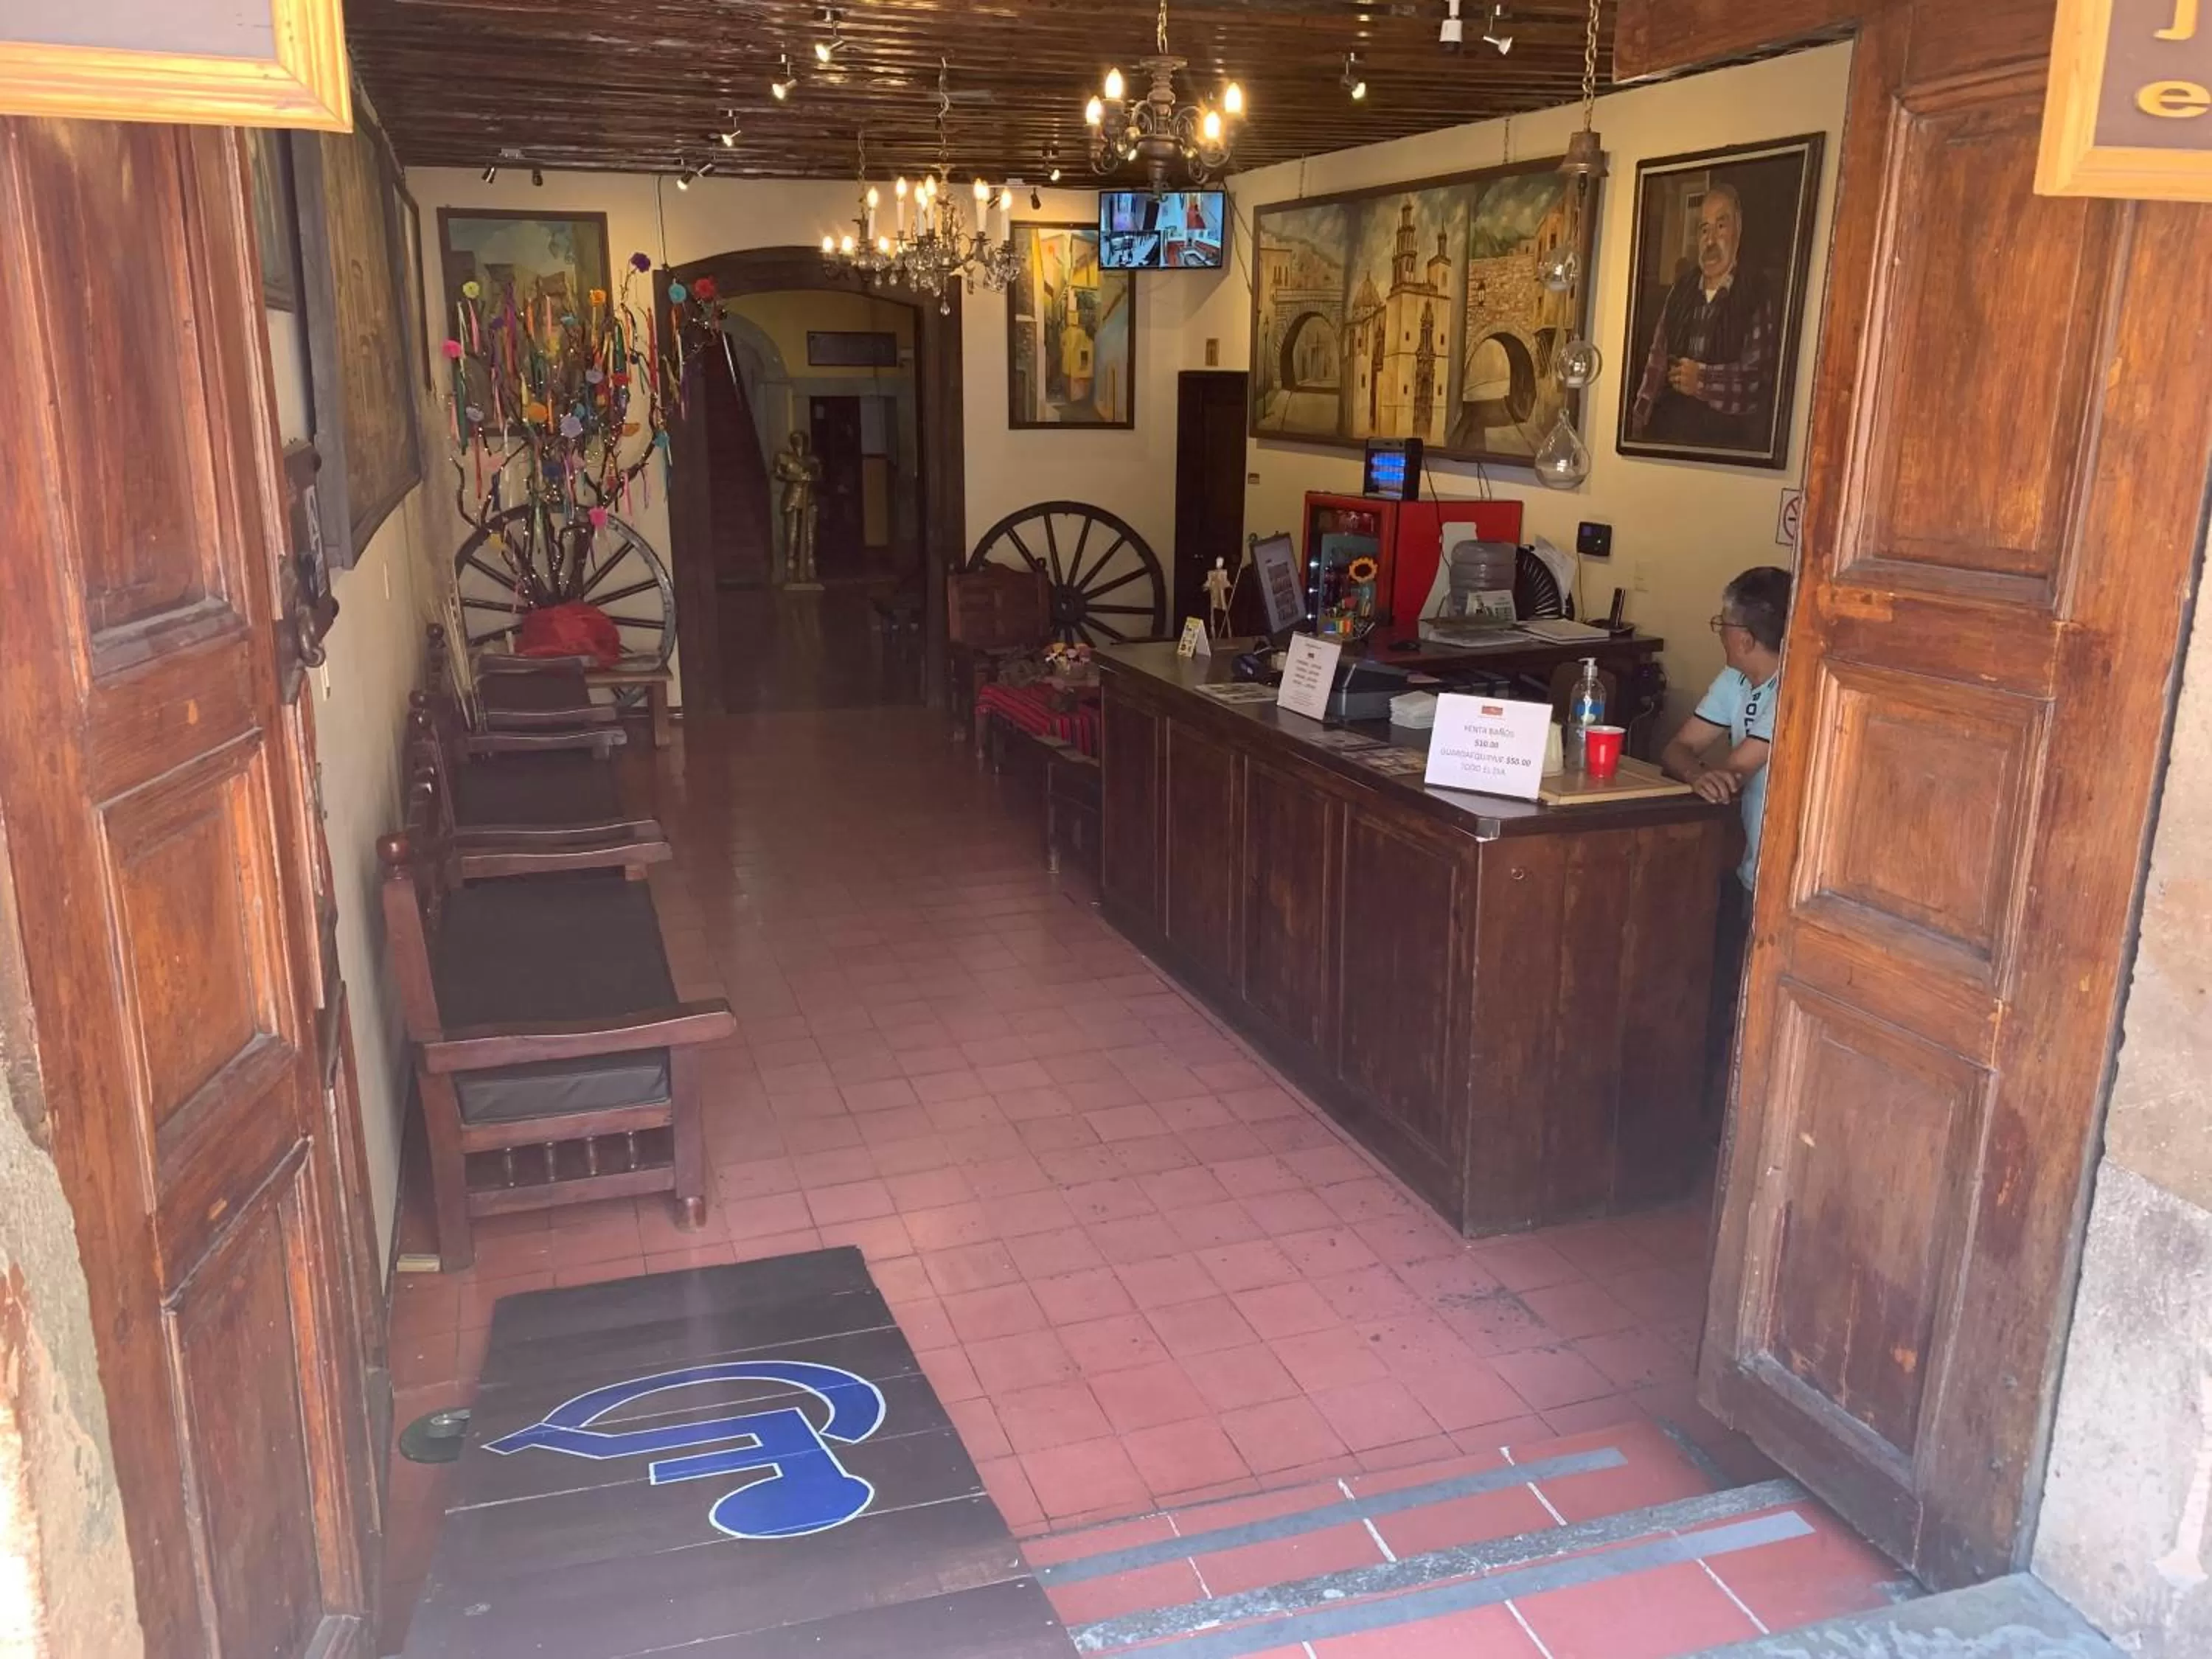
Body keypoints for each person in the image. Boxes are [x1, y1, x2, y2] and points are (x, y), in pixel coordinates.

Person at [1664, 565, 1790, 894]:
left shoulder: (1792, 691)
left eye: (1724, 624)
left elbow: (1737, 773)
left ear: (1745, 640)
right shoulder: (1734, 679)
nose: (1720, 631)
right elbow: (1678, 748)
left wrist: (1711, 778)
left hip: (1784, 877)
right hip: (1752, 863)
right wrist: (1695, 774)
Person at [1628, 182, 1778, 451]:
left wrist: (1702, 380)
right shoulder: (1681, 289)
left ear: (1738, 229)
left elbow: (1757, 383)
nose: (1710, 241)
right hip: (1666, 441)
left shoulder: (1757, 291)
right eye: (1704, 229)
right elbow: (1656, 361)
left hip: (1725, 449)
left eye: (1721, 226)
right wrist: (1637, 419)